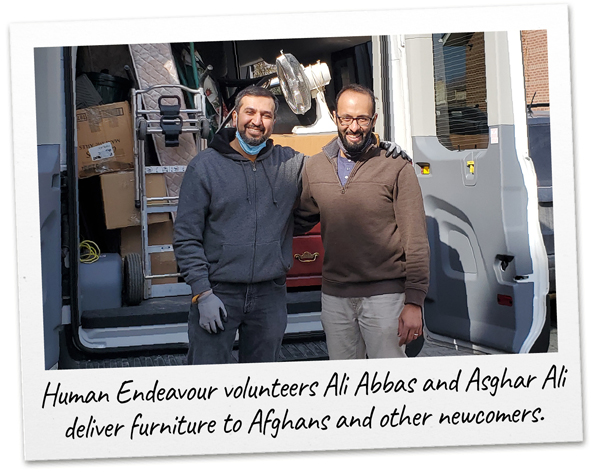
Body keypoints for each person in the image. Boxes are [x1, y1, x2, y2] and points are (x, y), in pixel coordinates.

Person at [174, 85, 407, 365]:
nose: (257, 121)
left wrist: (380, 147)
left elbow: (335, 161)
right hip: (218, 292)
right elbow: (186, 237)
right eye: (250, 112)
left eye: (266, 115)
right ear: (234, 116)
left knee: (261, 384)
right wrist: (202, 293)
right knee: (206, 379)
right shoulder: (204, 168)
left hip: (269, 296)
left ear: (274, 121)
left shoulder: (290, 163)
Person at [294, 83, 430, 360]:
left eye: (362, 119)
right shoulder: (315, 166)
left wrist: (414, 302)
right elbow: (299, 219)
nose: (354, 127)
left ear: (374, 120)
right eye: (346, 118)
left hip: (385, 297)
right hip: (334, 298)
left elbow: (415, 240)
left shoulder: (397, 166)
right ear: (335, 117)